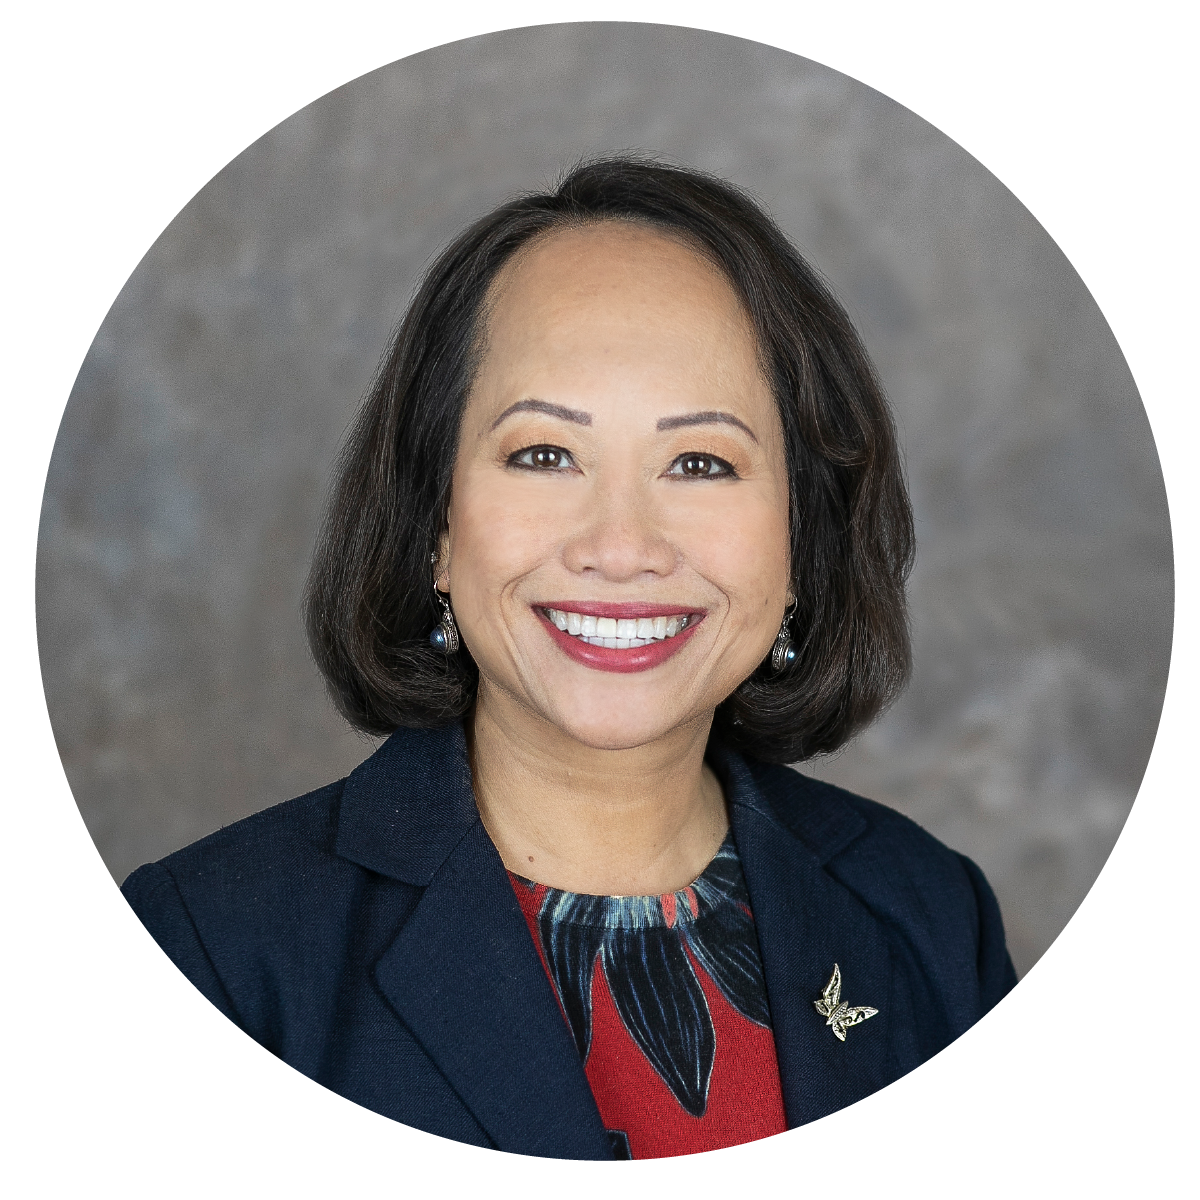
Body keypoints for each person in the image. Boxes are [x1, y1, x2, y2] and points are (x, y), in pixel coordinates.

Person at [121, 157, 1018, 1178]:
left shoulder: (931, 918)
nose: (621, 544)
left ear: (802, 545)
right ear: (436, 528)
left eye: (701, 463)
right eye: (544, 455)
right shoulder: (217, 949)